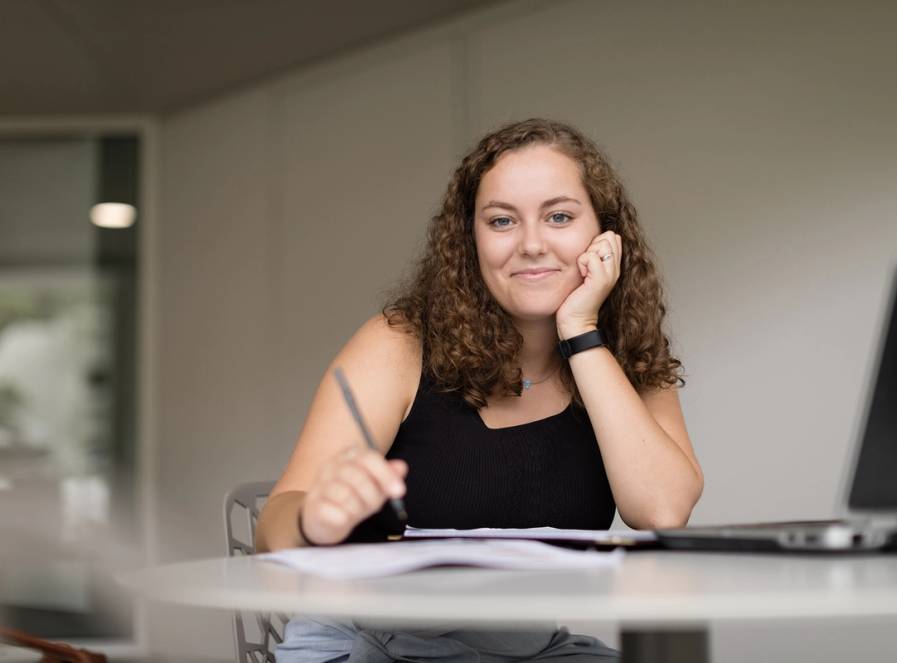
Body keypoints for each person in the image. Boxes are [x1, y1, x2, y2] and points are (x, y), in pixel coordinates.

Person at [255, 118, 704, 662]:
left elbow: (661, 511)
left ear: (605, 237)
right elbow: (275, 523)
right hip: (374, 643)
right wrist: (312, 521)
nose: (532, 244)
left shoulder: (626, 357)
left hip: (528, 650)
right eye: (501, 221)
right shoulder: (398, 345)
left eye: (559, 217)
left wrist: (581, 334)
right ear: (471, 241)